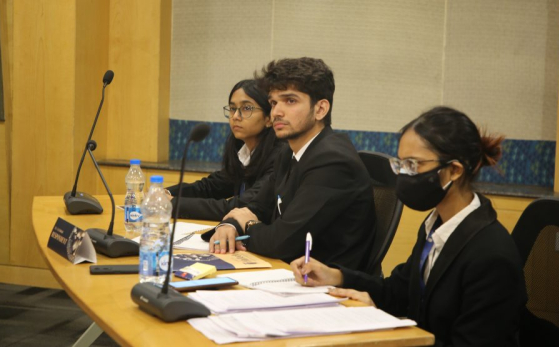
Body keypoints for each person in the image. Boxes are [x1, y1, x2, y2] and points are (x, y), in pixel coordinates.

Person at [291, 106, 526, 346]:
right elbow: (399, 291)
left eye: (413, 165)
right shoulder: (437, 224)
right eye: (401, 164)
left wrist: (388, 330)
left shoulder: (491, 256)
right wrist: (336, 276)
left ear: (454, 171)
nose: (404, 175)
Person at [209, 57, 376, 271]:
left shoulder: (333, 161)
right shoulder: (288, 151)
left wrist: (246, 225)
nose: (276, 112)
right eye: (273, 103)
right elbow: (258, 205)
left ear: (320, 109)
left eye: (290, 101)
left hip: (323, 284)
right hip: (287, 272)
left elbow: (281, 242)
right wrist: (230, 225)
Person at [166, 79, 281, 220]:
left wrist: (172, 203)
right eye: (232, 108)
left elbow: (240, 206)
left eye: (246, 108)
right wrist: (165, 193)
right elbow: (210, 187)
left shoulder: (279, 157)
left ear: (269, 118)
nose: (236, 116)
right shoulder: (244, 152)